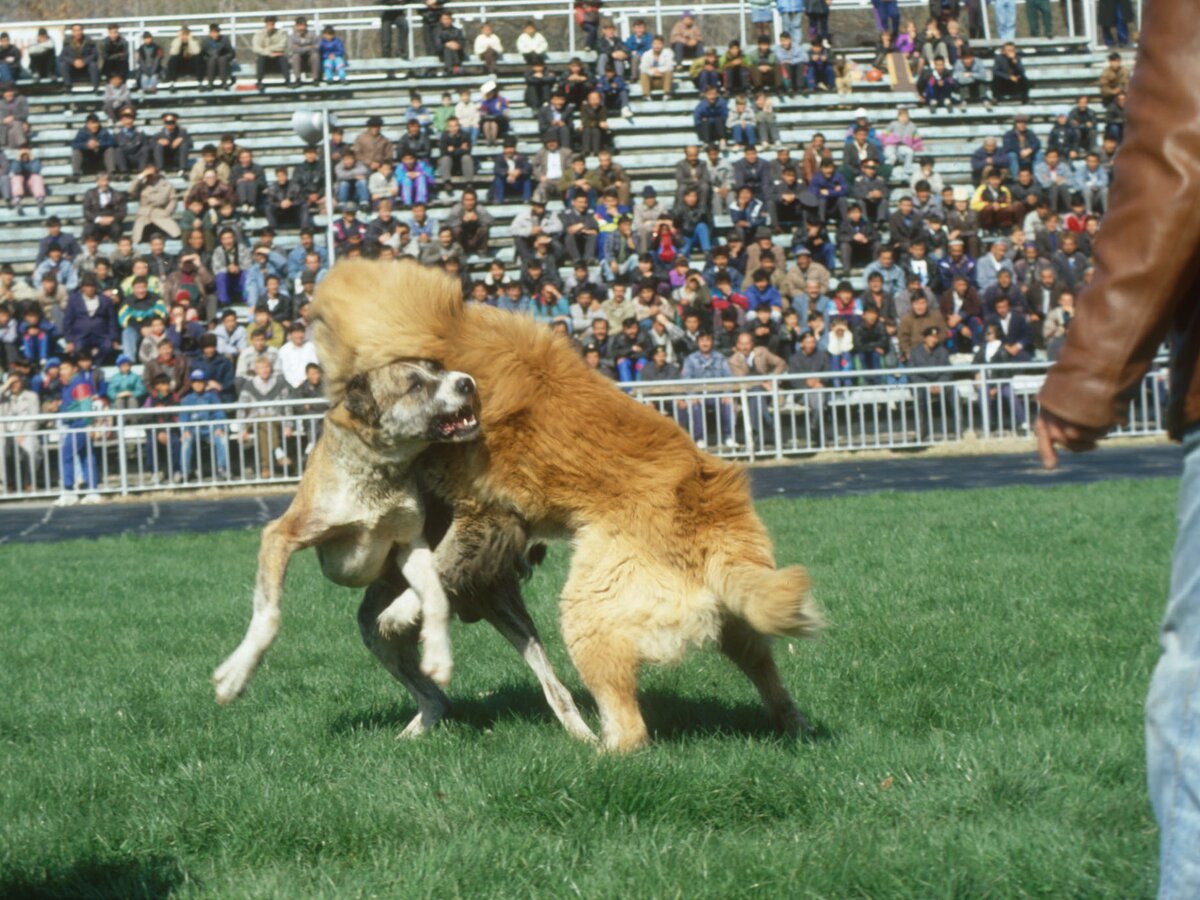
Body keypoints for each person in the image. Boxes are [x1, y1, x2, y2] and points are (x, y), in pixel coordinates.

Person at [252, 16, 291, 91]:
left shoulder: (281, 33)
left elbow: (282, 46)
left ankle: (287, 80)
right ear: (265, 24)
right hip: (265, 59)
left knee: (283, 58)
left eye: (272, 24)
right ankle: (259, 82)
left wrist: (267, 49)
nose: (271, 26)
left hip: (277, 59)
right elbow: (256, 48)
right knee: (260, 58)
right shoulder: (259, 33)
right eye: (269, 24)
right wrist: (270, 53)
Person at [58, 24, 100, 91]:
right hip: (73, 68)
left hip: (86, 68)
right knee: (63, 64)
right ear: (72, 32)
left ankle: (96, 87)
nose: (77, 32)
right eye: (75, 30)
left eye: (79, 30)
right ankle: (68, 86)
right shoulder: (67, 42)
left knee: (93, 65)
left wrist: (84, 62)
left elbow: (94, 55)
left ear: (82, 31)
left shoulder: (89, 41)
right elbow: (62, 56)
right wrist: (73, 61)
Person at [202, 23, 236, 90]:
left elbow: (231, 53)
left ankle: (224, 83)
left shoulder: (224, 39)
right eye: (213, 32)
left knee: (222, 60)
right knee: (212, 60)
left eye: (217, 32)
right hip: (210, 63)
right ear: (210, 33)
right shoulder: (205, 41)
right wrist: (208, 58)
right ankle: (210, 83)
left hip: (223, 62)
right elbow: (202, 54)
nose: (215, 34)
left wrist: (226, 57)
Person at [639, 36, 675, 100]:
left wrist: (656, 70)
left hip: (663, 80)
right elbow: (643, 68)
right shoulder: (647, 54)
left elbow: (669, 66)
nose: (657, 46)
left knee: (669, 72)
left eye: (659, 44)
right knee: (643, 73)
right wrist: (653, 73)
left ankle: (667, 94)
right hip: (651, 81)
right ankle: (646, 96)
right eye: (655, 44)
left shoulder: (668, 53)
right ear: (652, 45)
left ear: (662, 44)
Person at [289, 17, 321, 85]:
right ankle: (297, 79)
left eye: (303, 25)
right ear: (296, 26)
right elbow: (292, 49)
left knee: (315, 55)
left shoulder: (312, 35)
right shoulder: (292, 37)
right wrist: (308, 47)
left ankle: (315, 79)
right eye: (300, 25)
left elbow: (317, 47)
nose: (302, 28)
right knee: (295, 56)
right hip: (299, 62)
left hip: (310, 61)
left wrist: (300, 47)